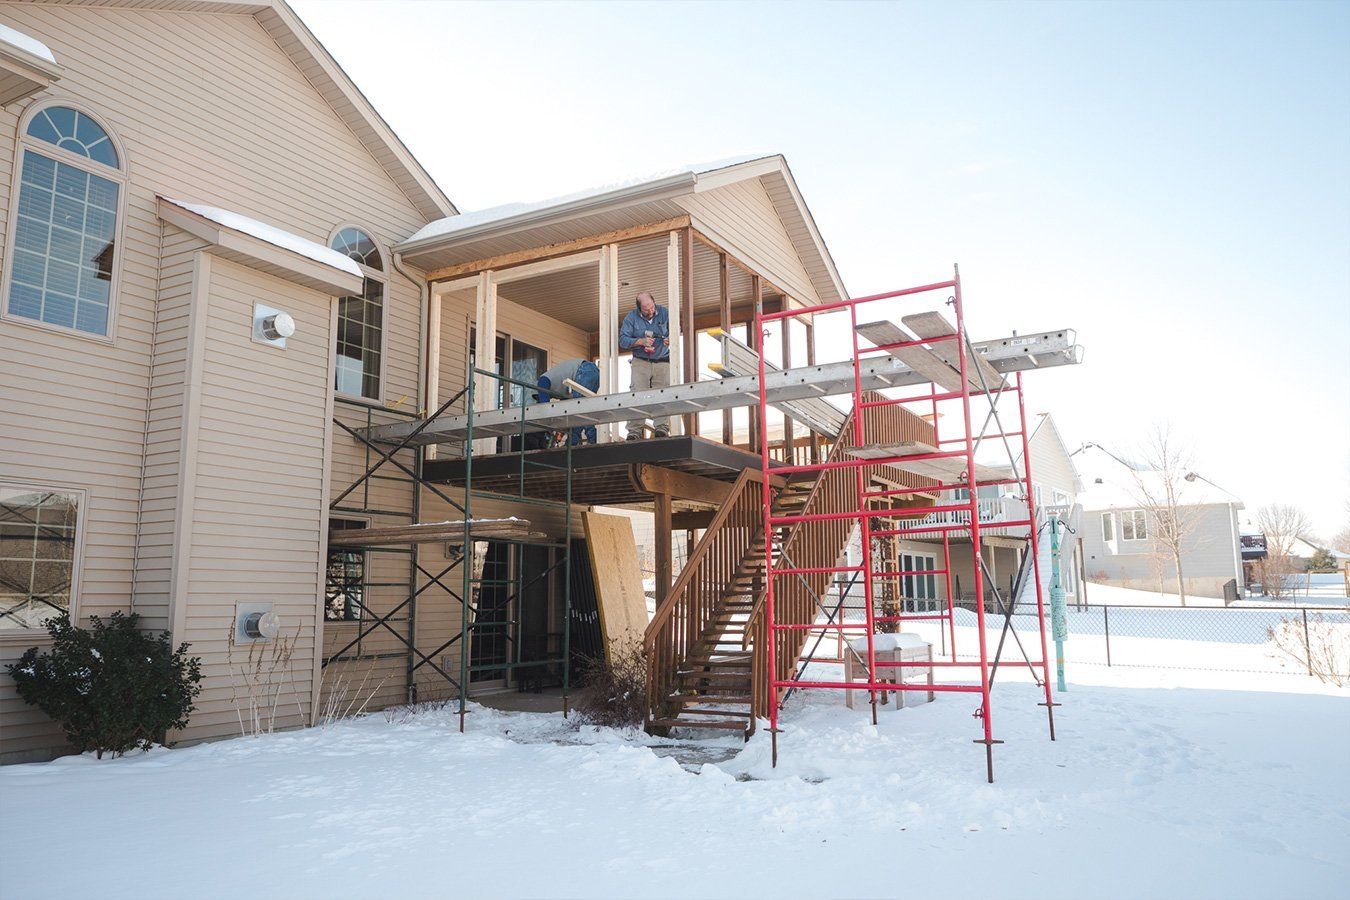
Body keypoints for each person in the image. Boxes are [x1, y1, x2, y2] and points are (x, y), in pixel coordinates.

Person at [618, 290, 671, 440]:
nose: (651, 311)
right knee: (637, 394)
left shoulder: (664, 312)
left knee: (662, 394)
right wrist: (640, 341)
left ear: (654, 302)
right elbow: (623, 340)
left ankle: (661, 429)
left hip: (662, 360)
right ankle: (634, 431)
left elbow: (676, 329)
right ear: (639, 308)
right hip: (640, 361)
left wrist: (670, 338)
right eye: (646, 309)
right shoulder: (631, 318)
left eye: (652, 307)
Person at [536, 358, 600, 445]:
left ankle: (590, 443)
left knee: (581, 409)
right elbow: (570, 413)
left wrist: (548, 428)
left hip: (584, 370)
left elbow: (545, 407)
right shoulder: (558, 392)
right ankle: (571, 445)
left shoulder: (542, 382)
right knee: (581, 411)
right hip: (592, 372)